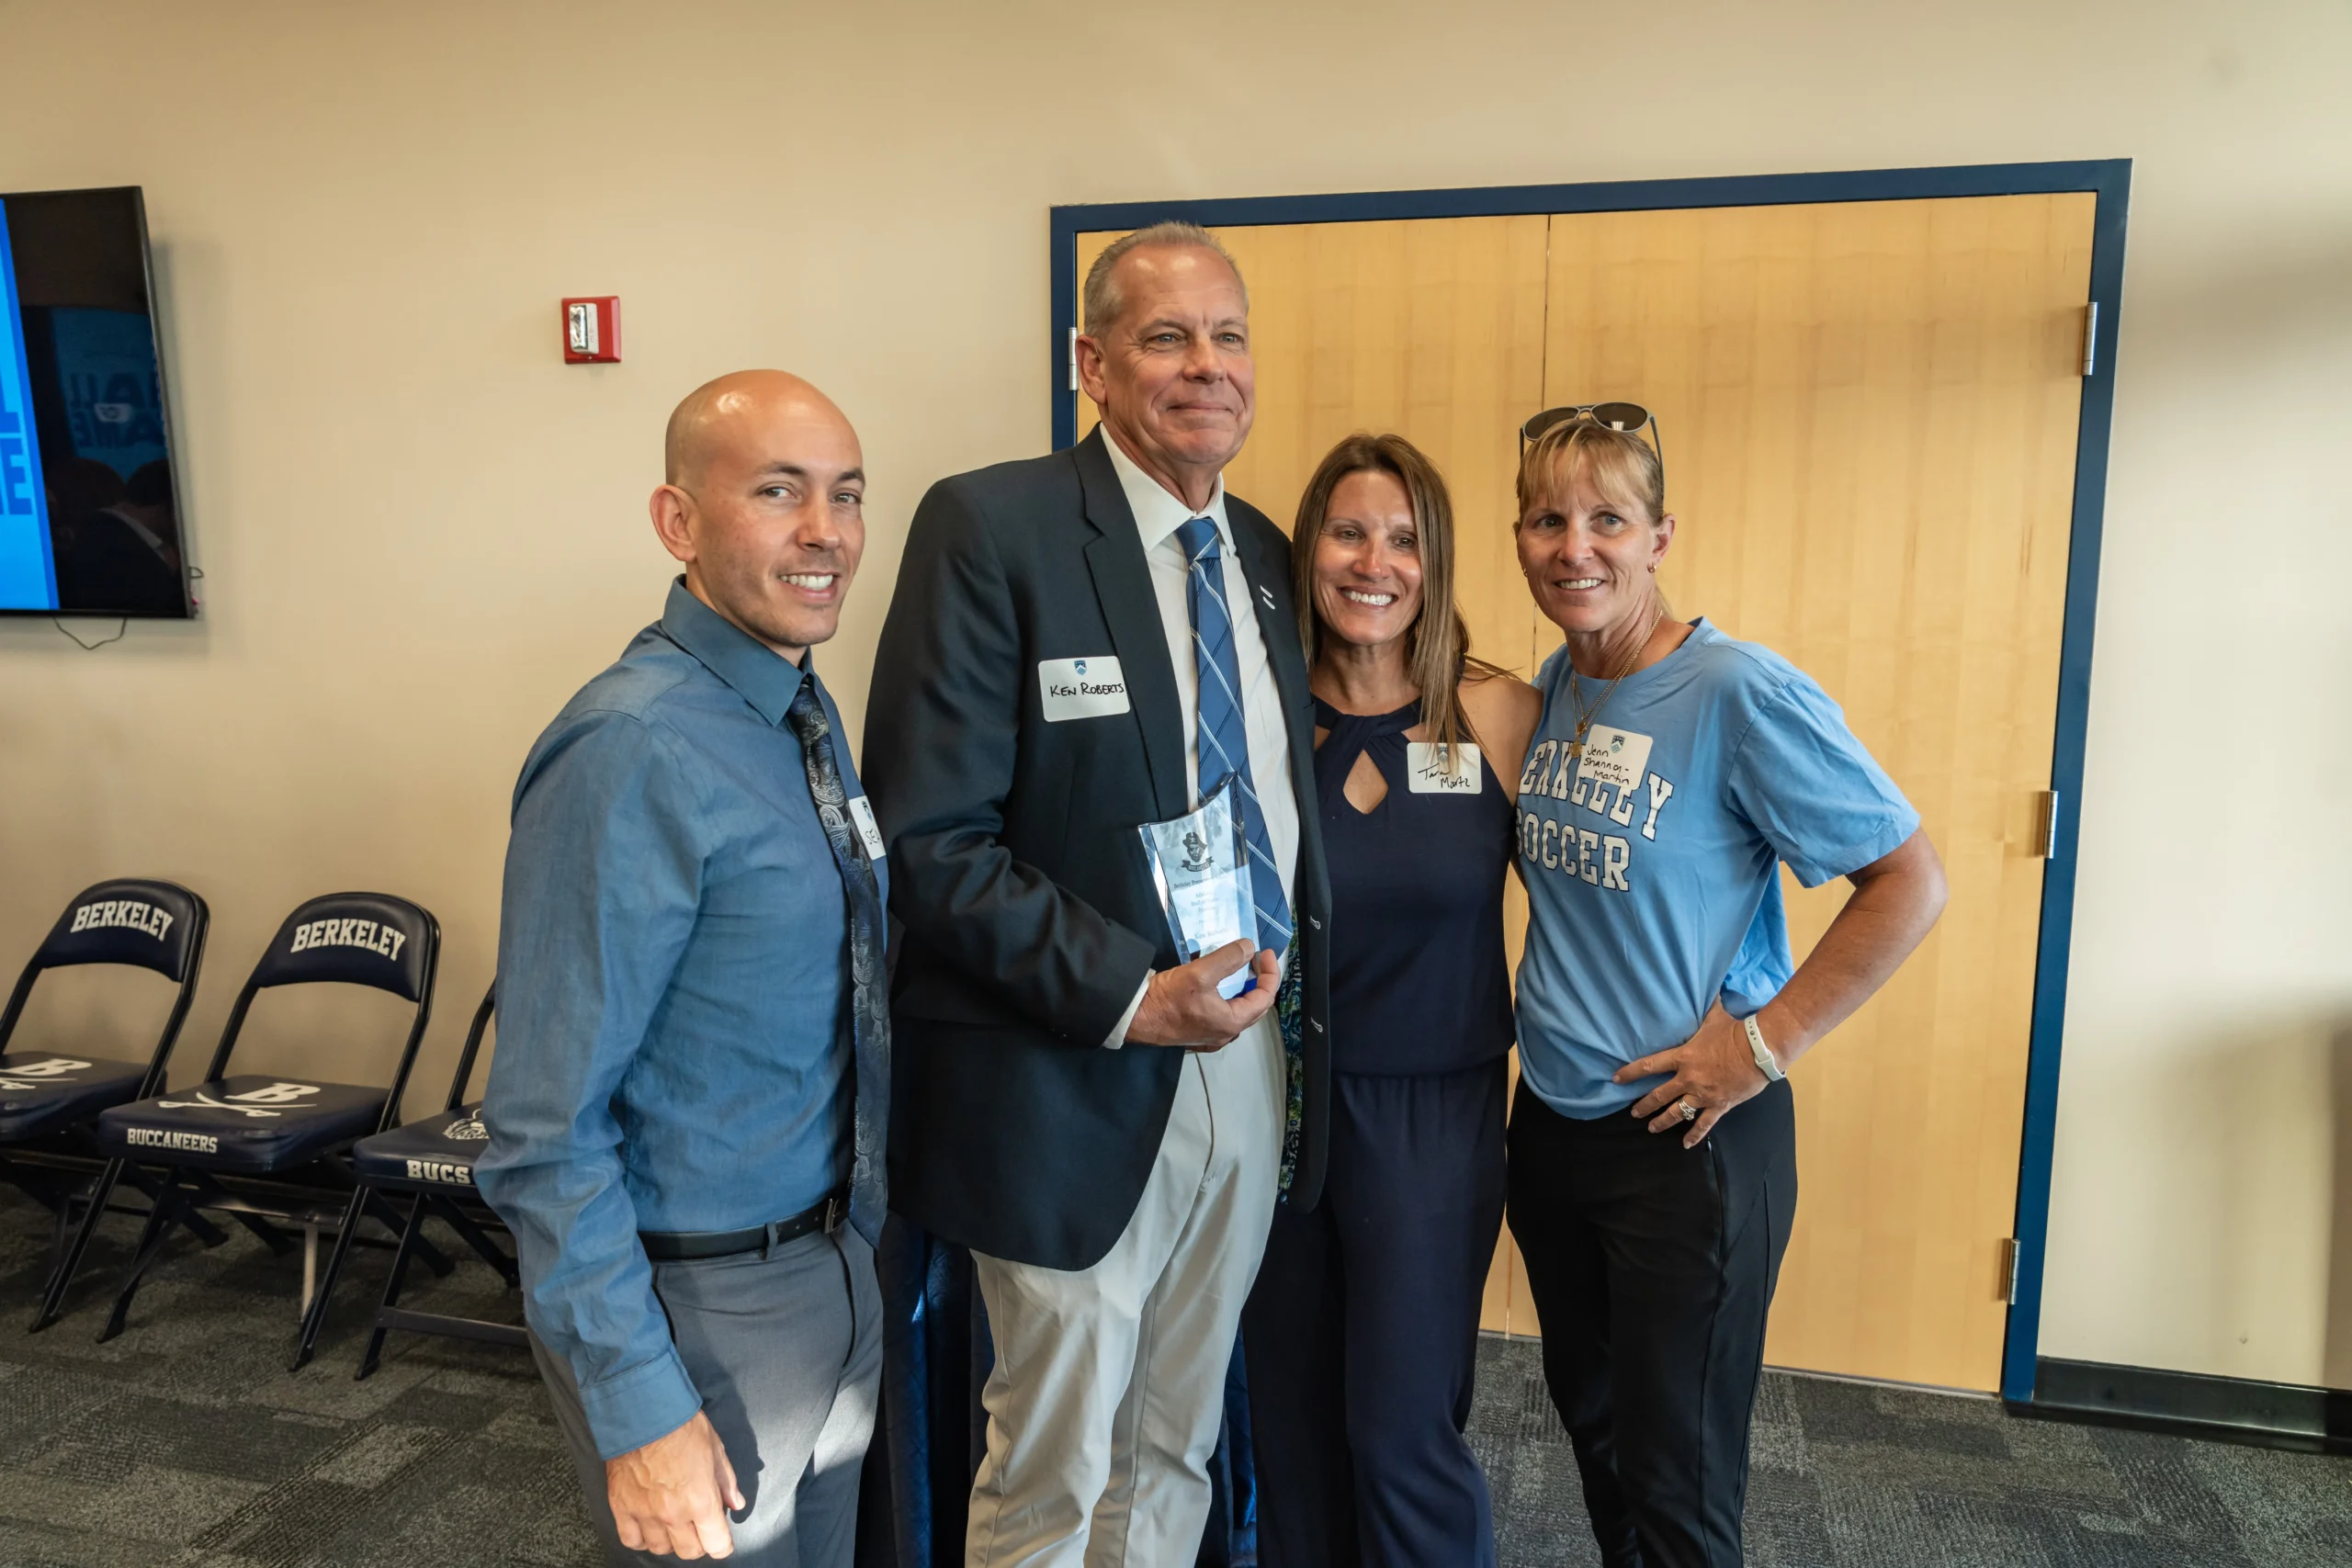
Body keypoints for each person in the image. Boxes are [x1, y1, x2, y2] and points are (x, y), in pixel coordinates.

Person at [863, 220, 1331, 1568]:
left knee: (1175, 1441)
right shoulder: (992, 524)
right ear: (1092, 361)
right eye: (1166, 336)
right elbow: (931, 838)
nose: (1207, 367)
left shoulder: (1254, 548)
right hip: (1073, 1067)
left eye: (1228, 335)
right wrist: (1136, 993)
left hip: (1242, 1063)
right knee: (1055, 1468)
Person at [1503, 408, 1950, 1568]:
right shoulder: (1560, 685)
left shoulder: (1737, 690)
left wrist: (1765, 1043)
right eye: (1547, 519)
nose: (1574, 547)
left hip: (1687, 1143)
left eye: (1608, 518)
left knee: (1680, 1476)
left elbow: (1906, 878)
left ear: (1659, 537)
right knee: (1595, 1432)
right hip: (1552, 1129)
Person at [479, 370, 888, 1566]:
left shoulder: (793, 711)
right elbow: (545, 1130)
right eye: (778, 491)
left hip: (829, 1270)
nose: (825, 532)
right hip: (700, 1314)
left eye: (847, 495)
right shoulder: (631, 746)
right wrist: (638, 1403)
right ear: (679, 522)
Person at [1241, 434, 1539, 1568]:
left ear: (1437, 560)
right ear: (1310, 546)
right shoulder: (1258, 719)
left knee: (1400, 1431)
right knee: (1292, 1427)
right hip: (1276, 1116)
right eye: (1349, 530)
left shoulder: (1499, 714)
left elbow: (1607, 894)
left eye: (1404, 538)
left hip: (1432, 1124)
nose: (1375, 561)